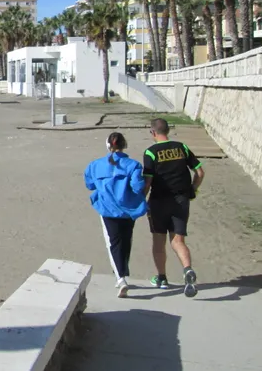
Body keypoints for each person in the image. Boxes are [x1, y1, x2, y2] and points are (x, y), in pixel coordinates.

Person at [143, 118, 206, 297]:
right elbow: (200, 172)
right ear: (168, 130)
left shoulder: (151, 152)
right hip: (181, 200)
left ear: (153, 133)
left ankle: (162, 278)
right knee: (178, 241)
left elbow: (148, 181)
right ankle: (187, 269)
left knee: (158, 241)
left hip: (158, 201)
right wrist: (193, 189)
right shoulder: (182, 147)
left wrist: (141, 199)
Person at [85, 132, 148, 298]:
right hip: (128, 209)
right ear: (124, 145)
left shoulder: (95, 165)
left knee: (113, 242)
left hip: (107, 209)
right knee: (126, 240)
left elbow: (89, 184)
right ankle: (123, 272)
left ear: (108, 145)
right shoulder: (133, 165)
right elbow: (137, 187)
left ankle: (120, 278)